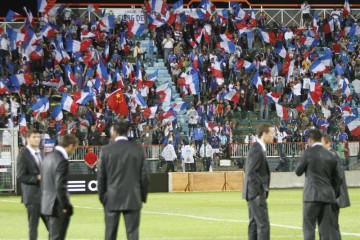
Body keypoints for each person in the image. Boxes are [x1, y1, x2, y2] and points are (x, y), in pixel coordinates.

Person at [97, 122, 149, 240]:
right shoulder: (138, 150)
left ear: (115, 132)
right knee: (132, 233)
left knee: (110, 234)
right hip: (133, 198)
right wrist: (142, 197)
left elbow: (101, 177)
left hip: (111, 197)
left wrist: (103, 197)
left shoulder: (106, 150)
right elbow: (144, 176)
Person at [295, 130, 342, 240]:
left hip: (311, 196)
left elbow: (298, 171)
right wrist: (332, 192)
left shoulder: (308, 153)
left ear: (310, 140)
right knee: (325, 229)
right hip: (327, 196)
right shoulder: (331, 155)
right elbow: (338, 178)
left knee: (309, 228)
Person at [41, 135, 79, 240]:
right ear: (71, 146)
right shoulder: (62, 160)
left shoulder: (48, 157)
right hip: (57, 206)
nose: (73, 151)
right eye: (74, 148)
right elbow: (60, 186)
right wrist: (66, 206)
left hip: (46, 205)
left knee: (52, 236)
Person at [242, 123, 274, 240]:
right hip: (256, 194)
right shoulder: (257, 149)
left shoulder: (257, 148)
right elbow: (251, 172)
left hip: (252, 193)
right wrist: (259, 191)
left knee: (254, 224)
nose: (273, 136)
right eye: (271, 133)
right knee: (263, 224)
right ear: (264, 134)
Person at [17, 130, 48, 240]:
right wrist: (37, 178)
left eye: (38, 137)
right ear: (27, 138)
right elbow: (20, 176)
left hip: (45, 197)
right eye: (34, 137)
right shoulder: (23, 155)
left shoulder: (41, 153)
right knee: (33, 229)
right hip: (32, 197)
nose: (37, 139)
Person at [321, 134, 351, 239]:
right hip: (331, 196)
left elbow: (338, 178)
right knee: (327, 225)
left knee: (332, 225)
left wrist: (332, 194)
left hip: (333, 197)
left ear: (328, 143)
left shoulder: (332, 155)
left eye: (321, 143)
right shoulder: (331, 155)